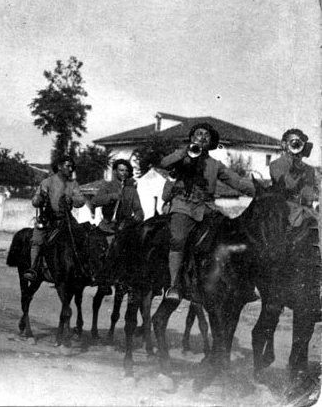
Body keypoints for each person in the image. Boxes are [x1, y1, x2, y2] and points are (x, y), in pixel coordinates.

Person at [159, 122, 255, 302]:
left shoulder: (215, 165)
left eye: (206, 135)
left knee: (230, 234)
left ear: (211, 142)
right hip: (182, 205)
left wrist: (262, 190)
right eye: (198, 134)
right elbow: (164, 163)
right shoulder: (181, 157)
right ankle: (173, 286)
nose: (202, 137)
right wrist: (185, 151)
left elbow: (238, 182)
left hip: (206, 208)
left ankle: (240, 283)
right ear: (191, 138)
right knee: (178, 239)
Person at [24, 155, 86, 281]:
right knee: (37, 240)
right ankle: (33, 268)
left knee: (82, 236)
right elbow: (35, 201)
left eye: (72, 166)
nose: (70, 169)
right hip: (49, 219)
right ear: (59, 167)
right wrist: (40, 198)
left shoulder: (73, 184)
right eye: (67, 166)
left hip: (66, 219)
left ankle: (83, 269)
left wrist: (72, 199)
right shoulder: (47, 182)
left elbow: (81, 200)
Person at [269, 128, 317, 228]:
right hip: (286, 215)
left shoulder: (309, 169)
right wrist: (296, 168)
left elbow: (311, 194)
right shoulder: (276, 165)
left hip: (308, 215)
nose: (296, 146)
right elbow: (288, 185)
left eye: (300, 143)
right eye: (293, 142)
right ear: (283, 144)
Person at [93, 159, 144, 234]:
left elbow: (138, 209)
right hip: (107, 227)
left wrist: (139, 215)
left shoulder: (132, 190)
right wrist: (111, 196)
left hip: (125, 226)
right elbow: (94, 201)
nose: (124, 173)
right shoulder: (107, 186)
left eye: (126, 171)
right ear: (115, 171)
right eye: (121, 170)